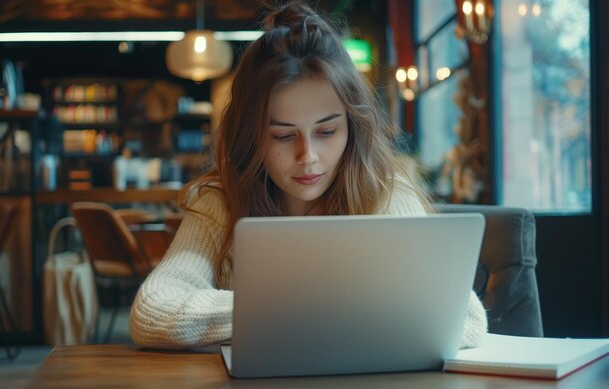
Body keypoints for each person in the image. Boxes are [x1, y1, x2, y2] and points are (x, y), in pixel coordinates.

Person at [129, 1, 487, 350]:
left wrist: (274, 317)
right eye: (283, 135)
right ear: (250, 137)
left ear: (352, 126)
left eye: (327, 131)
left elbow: (466, 319)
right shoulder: (221, 204)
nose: (308, 157)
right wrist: (324, 311)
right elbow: (152, 311)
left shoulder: (385, 194)